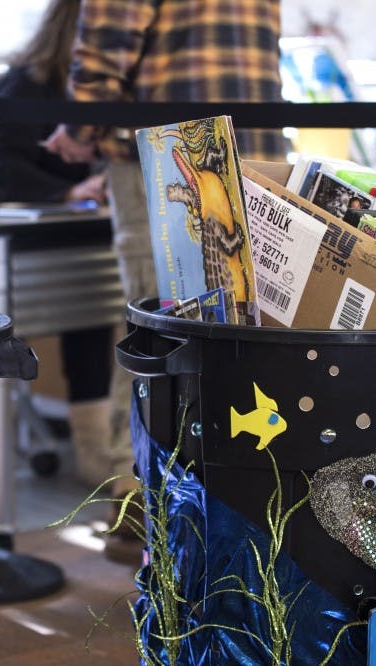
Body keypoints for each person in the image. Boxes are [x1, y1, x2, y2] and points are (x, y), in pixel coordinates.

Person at [44, 0, 287, 563]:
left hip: (168, 150)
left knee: (157, 328)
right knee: (244, 326)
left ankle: (139, 498)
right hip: (255, 143)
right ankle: (237, 501)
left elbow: (107, 38)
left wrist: (79, 129)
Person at [0, 0, 116, 492]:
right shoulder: (27, 84)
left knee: (94, 307)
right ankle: (97, 457)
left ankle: (101, 456)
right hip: (31, 237)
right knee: (86, 306)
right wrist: (69, 191)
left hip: (84, 230)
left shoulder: (82, 86)